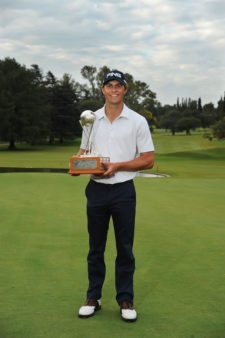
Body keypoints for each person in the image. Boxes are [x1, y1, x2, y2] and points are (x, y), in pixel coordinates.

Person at [77, 69, 155, 322]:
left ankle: (125, 299)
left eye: (118, 85)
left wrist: (118, 166)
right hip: (96, 190)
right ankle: (93, 297)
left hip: (123, 190)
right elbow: (84, 152)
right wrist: (78, 165)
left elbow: (148, 160)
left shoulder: (137, 121)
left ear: (125, 90)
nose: (113, 89)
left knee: (124, 248)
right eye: (109, 85)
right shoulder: (90, 119)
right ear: (103, 89)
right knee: (95, 247)